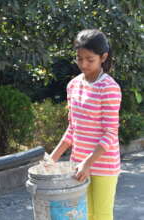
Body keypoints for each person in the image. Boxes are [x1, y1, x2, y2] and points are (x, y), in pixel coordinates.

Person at [48, 29, 122, 220]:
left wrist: (87, 164)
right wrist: (51, 160)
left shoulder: (109, 88)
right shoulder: (73, 85)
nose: (83, 64)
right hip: (78, 164)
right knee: (82, 215)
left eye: (90, 59)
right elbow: (73, 129)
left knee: (101, 216)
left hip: (103, 165)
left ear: (103, 57)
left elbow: (110, 133)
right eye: (79, 58)